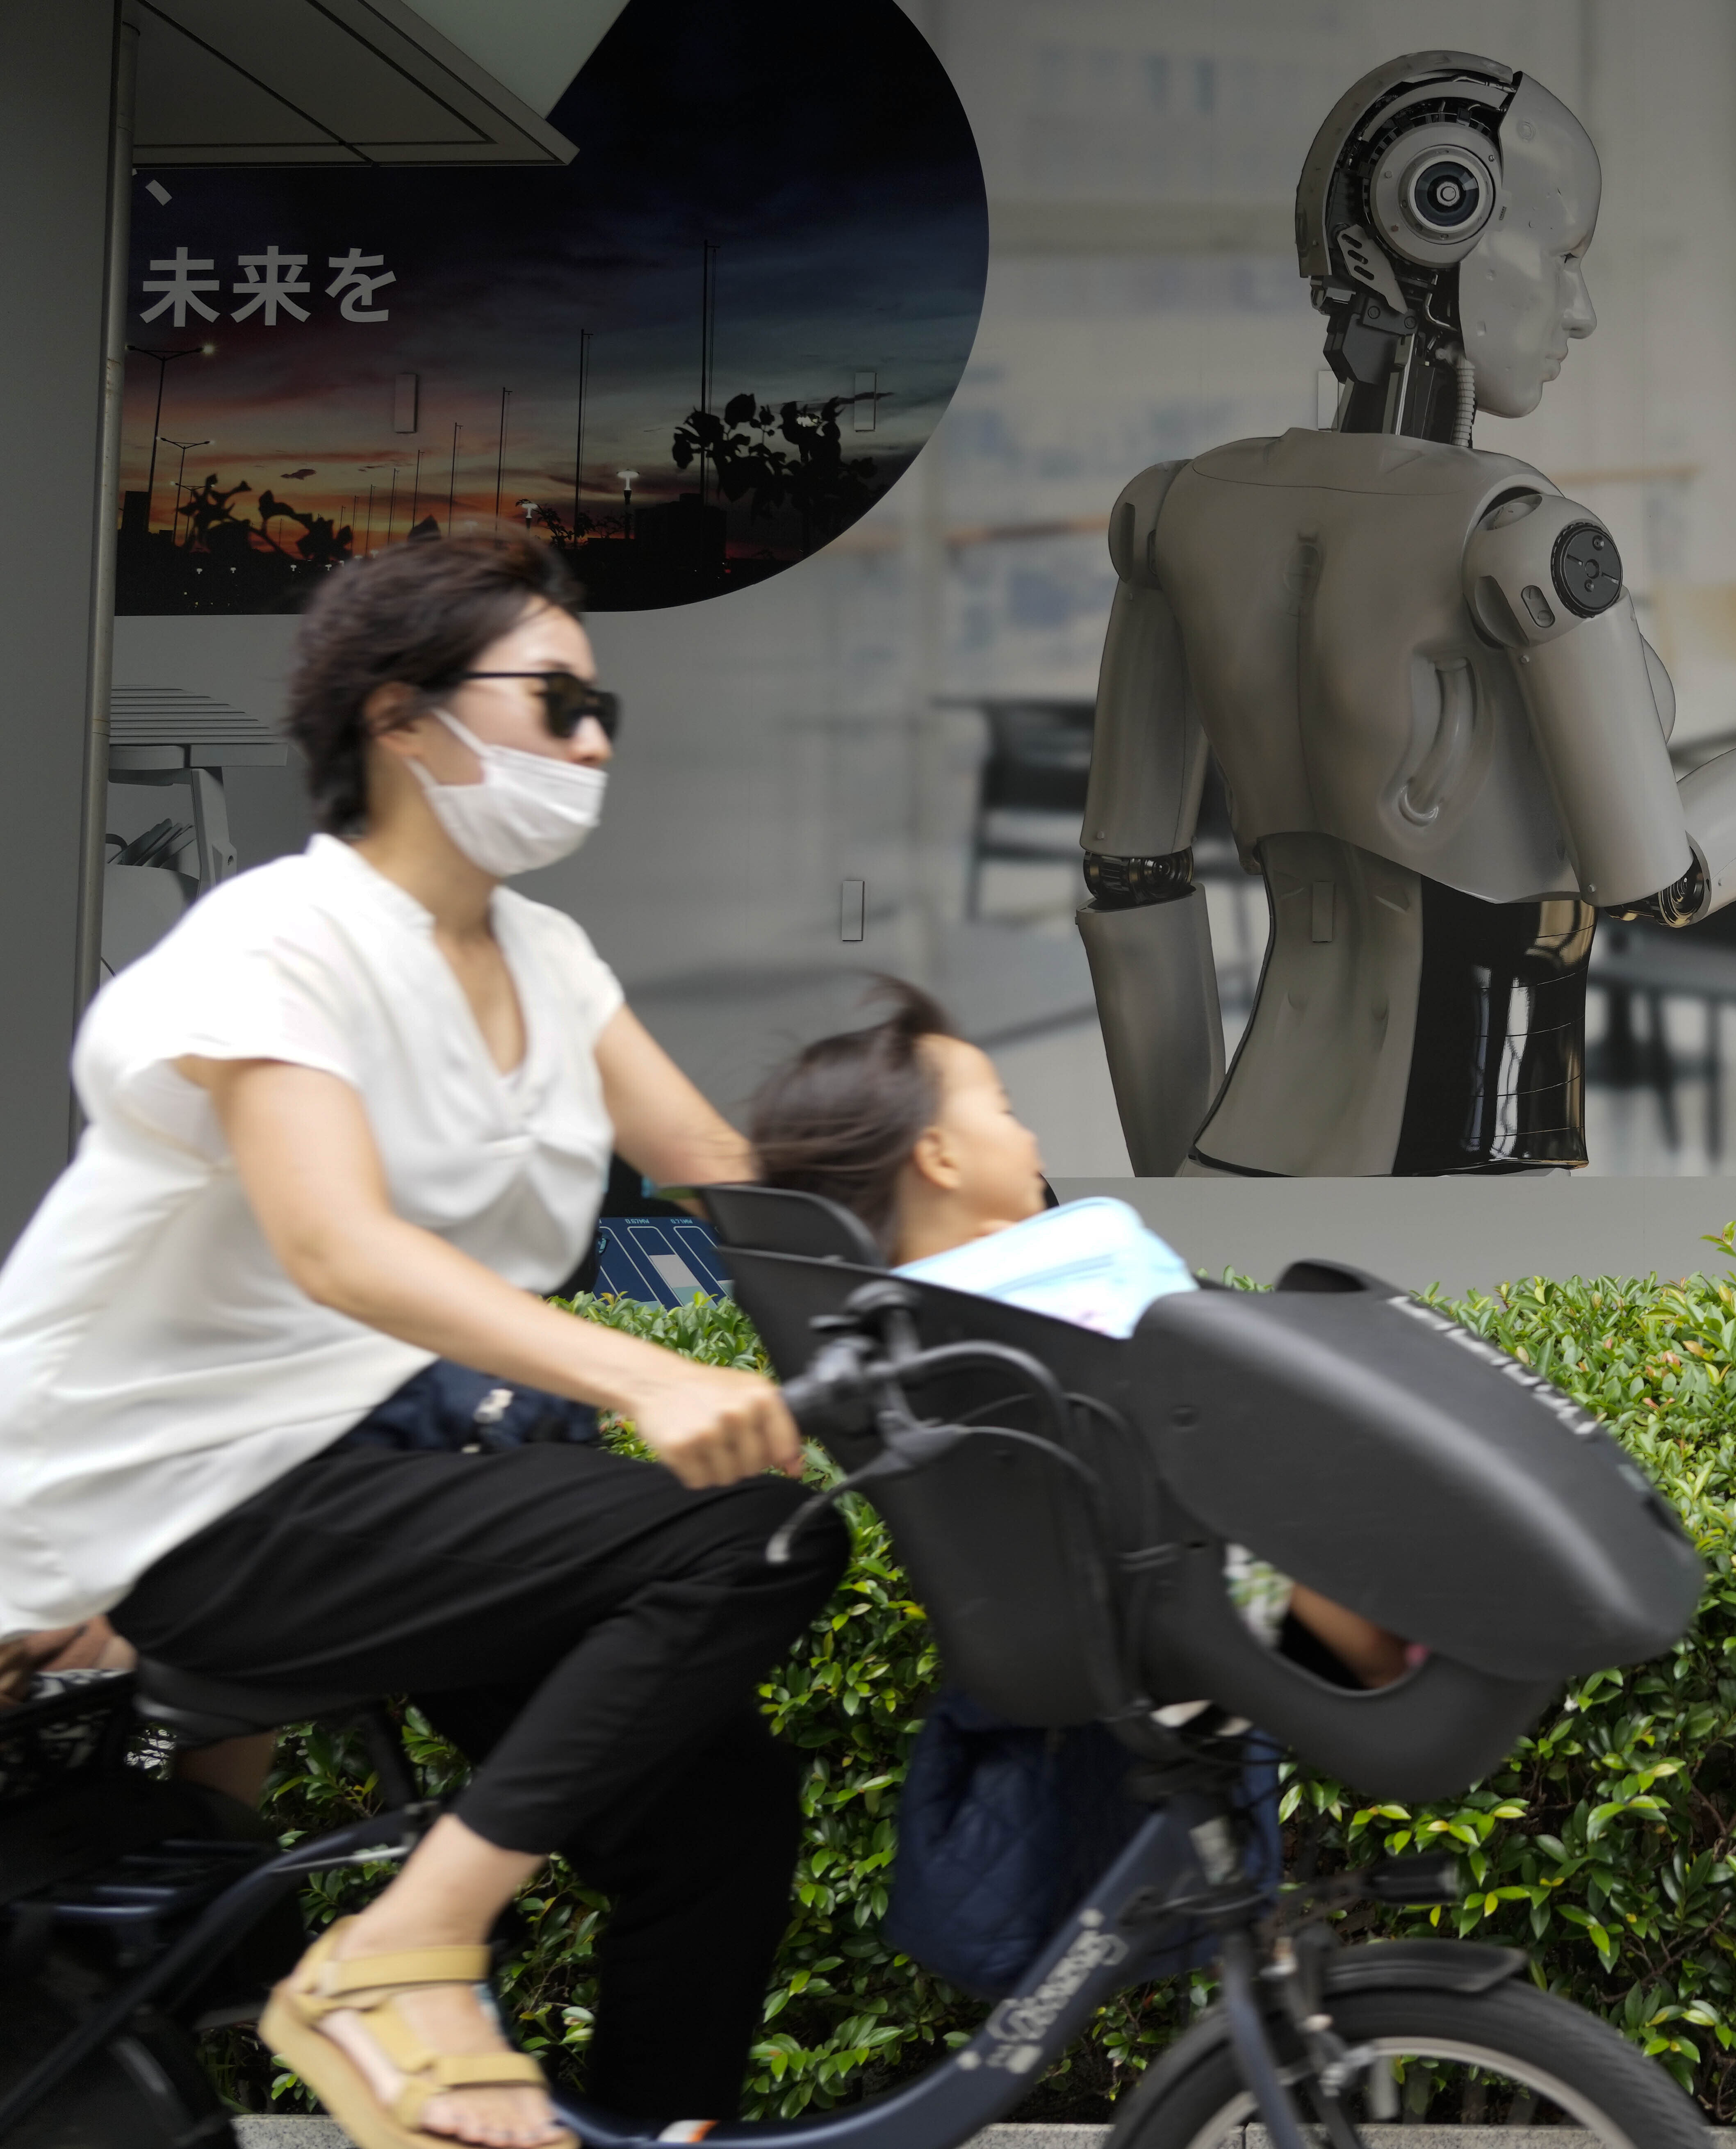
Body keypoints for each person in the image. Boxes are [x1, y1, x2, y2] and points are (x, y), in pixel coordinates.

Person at [0, 536, 843, 2148]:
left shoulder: (548, 960)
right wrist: (649, 1371)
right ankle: (399, 1953)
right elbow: (335, 1239)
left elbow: (729, 1178)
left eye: (604, 706)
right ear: (402, 716)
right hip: (179, 1504)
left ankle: (659, 2122)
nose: (593, 741)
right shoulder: (283, 943)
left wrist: (1017, 1293)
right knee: (744, 1533)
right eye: (558, 698)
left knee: (717, 1810)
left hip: (366, 1494)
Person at [745, 983, 1406, 1686]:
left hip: (1049, 1620)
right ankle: (1391, 1667)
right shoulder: (1092, 1242)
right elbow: (1218, 1374)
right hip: (1207, 1585)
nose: (1029, 1137)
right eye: (1004, 1112)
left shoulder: (892, 1319)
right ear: (940, 1158)